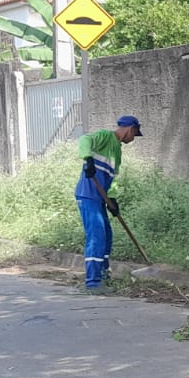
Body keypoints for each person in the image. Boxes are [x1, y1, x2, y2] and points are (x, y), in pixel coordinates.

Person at [76, 115, 142, 291]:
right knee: (96, 237)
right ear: (130, 129)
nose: (133, 138)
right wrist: (88, 158)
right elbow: (84, 139)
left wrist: (112, 199)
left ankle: (104, 276)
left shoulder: (117, 152)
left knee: (107, 235)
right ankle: (93, 283)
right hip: (89, 195)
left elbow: (112, 179)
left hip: (100, 198)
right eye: (135, 134)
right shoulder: (105, 136)